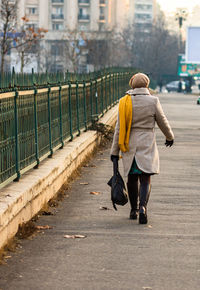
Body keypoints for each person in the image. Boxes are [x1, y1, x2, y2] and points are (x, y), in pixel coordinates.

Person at [110, 72, 174, 224]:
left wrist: (114, 152)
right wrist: (169, 136)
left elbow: (118, 128)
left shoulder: (124, 102)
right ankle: (142, 207)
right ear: (147, 85)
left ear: (132, 85)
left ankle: (133, 210)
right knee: (145, 179)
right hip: (147, 143)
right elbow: (162, 120)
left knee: (132, 179)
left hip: (129, 144)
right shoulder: (153, 101)